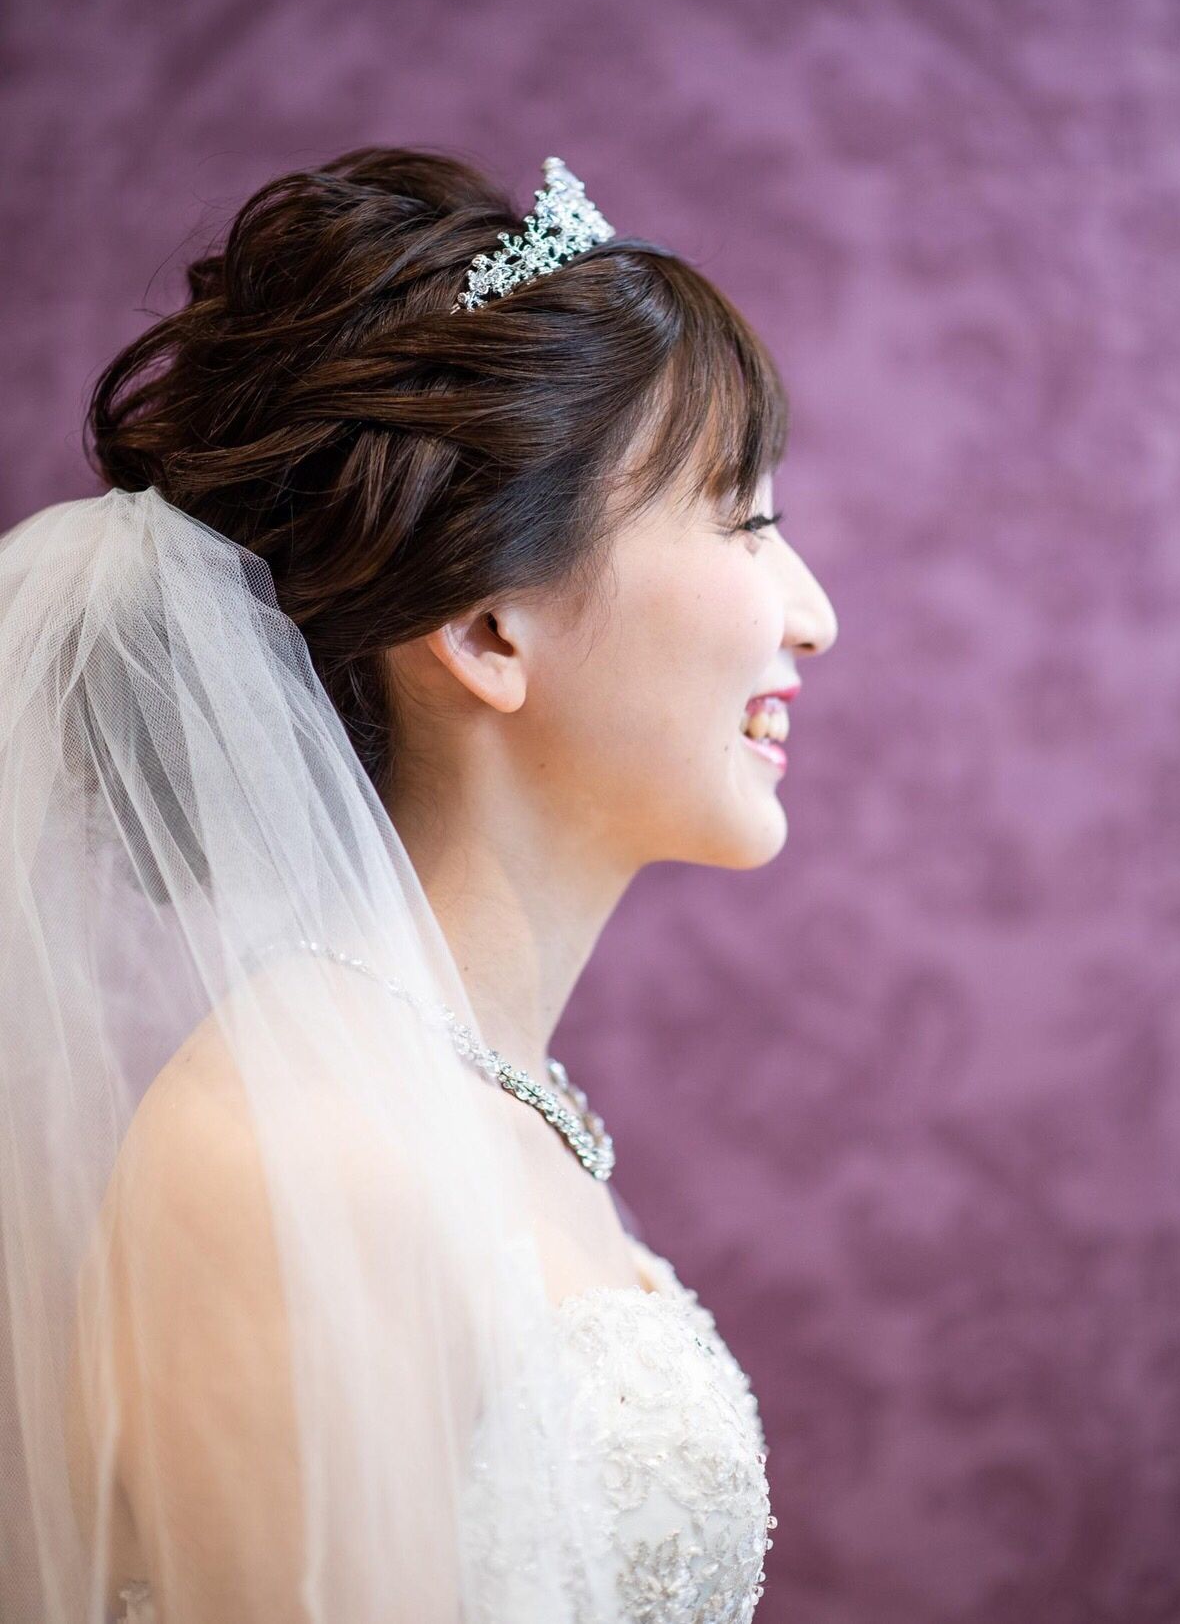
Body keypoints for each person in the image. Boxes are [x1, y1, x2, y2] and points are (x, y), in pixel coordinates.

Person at [0, 150, 837, 1624]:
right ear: (487, 628)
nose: (812, 615)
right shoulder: (281, 1155)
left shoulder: (475, 1093)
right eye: (740, 516)